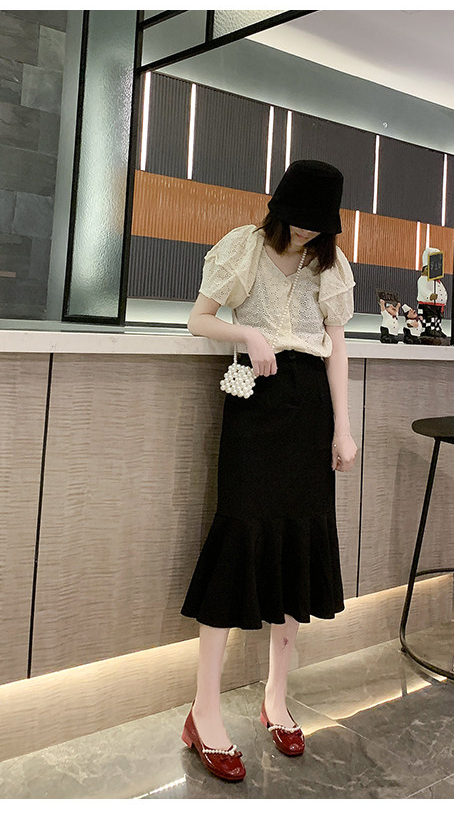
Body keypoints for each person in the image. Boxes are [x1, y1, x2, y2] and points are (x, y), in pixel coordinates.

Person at [180, 160, 357, 782]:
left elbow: (337, 351)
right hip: (255, 405)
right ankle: (203, 710)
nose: (308, 232)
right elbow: (198, 319)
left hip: (309, 411)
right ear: (280, 209)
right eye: (301, 220)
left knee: (297, 546)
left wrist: (342, 427)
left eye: (319, 224)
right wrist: (248, 333)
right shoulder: (245, 248)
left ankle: (277, 698)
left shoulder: (331, 265)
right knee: (241, 540)